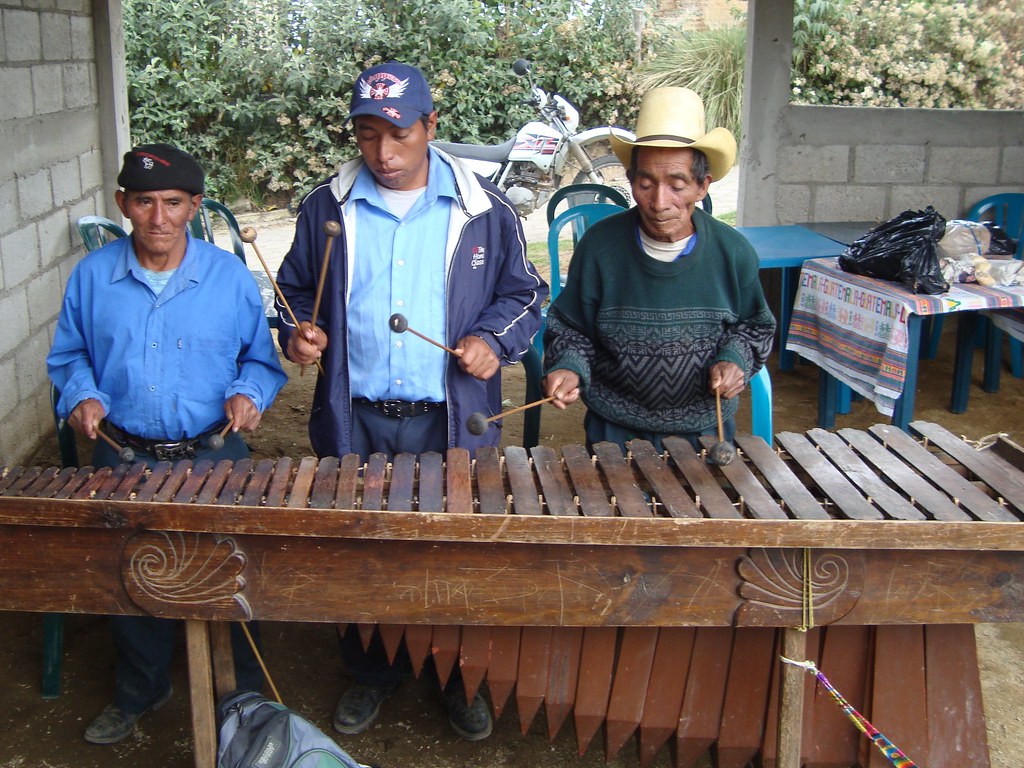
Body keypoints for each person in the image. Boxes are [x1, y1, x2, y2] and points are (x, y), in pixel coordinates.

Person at [274, 62, 547, 741]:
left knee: (451, 552)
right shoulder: (326, 208)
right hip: (356, 419)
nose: (384, 155)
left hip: (448, 422)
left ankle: (457, 677)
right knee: (359, 552)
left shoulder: (485, 209)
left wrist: (491, 339)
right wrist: (297, 334)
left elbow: (527, 295)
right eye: (367, 137)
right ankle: (372, 672)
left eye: (398, 135)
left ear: (430, 126)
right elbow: (294, 293)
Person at [47, 143, 288, 744]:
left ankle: (244, 696)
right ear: (123, 204)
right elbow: (70, 354)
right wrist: (81, 394)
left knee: (231, 571)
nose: (159, 218)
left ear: (195, 206)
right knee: (130, 576)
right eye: (145, 202)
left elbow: (260, 361)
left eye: (173, 203)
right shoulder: (93, 276)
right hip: (123, 453)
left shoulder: (228, 276)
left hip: (214, 454)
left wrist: (248, 394)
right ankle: (140, 688)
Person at [542, 87, 775, 453]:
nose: (659, 202)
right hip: (613, 428)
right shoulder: (600, 247)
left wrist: (734, 359)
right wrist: (569, 366)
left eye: (677, 185)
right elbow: (571, 329)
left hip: (704, 429)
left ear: (702, 186)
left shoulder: (733, 253)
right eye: (645, 184)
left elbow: (755, 326)